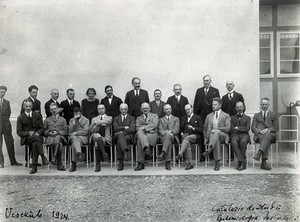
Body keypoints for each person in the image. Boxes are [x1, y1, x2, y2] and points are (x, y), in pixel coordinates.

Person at [17, 99, 49, 174]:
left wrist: (38, 132)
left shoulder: (37, 115)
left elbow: (42, 128)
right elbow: (19, 132)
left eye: (30, 106)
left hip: (37, 137)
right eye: (26, 106)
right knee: (36, 139)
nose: (28, 108)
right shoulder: (20, 117)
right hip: (27, 138)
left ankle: (34, 167)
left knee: (35, 144)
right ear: (23, 107)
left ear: (32, 106)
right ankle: (43, 156)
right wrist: (28, 133)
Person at [202, 98, 230, 171]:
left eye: (215, 104)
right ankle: (217, 162)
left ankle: (209, 150)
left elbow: (227, 128)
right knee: (215, 139)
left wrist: (217, 130)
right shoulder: (209, 116)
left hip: (223, 136)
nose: (213, 106)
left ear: (220, 105)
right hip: (212, 137)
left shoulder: (226, 115)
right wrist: (206, 136)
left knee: (216, 133)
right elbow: (205, 128)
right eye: (212, 104)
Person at [251, 98, 278, 170]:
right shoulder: (256, 115)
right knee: (266, 138)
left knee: (267, 136)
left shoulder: (273, 115)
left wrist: (268, 130)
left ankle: (259, 153)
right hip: (259, 135)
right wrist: (260, 131)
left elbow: (276, 127)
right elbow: (253, 128)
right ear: (260, 105)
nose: (264, 106)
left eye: (266, 104)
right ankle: (263, 163)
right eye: (263, 104)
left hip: (270, 135)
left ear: (269, 105)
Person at [0, 86, 22, 168]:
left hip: (6, 126)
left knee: (10, 143)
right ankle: (1, 162)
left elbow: (9, 113)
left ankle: (13, 161)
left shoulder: (7, 102)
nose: (3, 94)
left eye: (4, 92)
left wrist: (5, 122)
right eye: (1, 92)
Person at [175, 104, 203, 170]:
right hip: (185, 136)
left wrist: (193, 128)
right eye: (186, 110)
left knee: (186, 139)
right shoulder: (183, 118)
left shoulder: (198, 117)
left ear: (192, 109)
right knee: (186, 141)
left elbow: (201, 129)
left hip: (195, 136)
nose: (187, 111)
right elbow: (180, 129)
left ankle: (180, 153)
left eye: (188, 109)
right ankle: (190, 164)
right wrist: (181, 133)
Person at [134, 103, 159, 171]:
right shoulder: (138, 118)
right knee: (139, 134)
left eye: (146, 108)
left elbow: (154, 125)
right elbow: (137, 127)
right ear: (141, 109)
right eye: (143, 108)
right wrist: (148, 128)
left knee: (140, 139)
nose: (145, 109)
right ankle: (147, 147)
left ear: (150, 109)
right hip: (147, 134)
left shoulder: (155, 116)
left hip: (152, 136)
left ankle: (140, 163)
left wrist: (143, 128)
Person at [44, 103, 68, 171]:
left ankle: (54, 157)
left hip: (60, 137)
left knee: (58, 138)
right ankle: (59, 164)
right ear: (50, 111)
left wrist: (57, 132)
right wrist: (49, 132)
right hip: (50, 138)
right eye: (52, 109)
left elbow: (65, 131)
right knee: (59, 144)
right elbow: (44, 131)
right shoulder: (47, 120)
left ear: (58, 109)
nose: (54, 110)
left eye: (55, 109)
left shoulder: (63, 119)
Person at [90, 104, 112, 172]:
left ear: (105, 109)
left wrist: (97, 123)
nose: (101, 110)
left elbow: (108, 122)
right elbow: (91, 130)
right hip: (95, 136)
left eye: (102, 108)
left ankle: (98, 165)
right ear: (97, 110)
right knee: (97, 136)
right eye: (99, 109)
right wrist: (100, 125)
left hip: (105, 137)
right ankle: (104, 153)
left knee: (97, 143)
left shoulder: (109, 117)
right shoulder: (94, 119)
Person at [113, 103, 135, 171]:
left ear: (127, 110)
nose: (123, 111)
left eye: (125, 109)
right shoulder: (116, 118)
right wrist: (125, 127)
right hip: (117, 135)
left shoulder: (131, 118)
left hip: (128, 136)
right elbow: (115, 128)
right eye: (122, 109)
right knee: (120, 136)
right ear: (119, 110)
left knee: (120, 140)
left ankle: (121, 162)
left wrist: (122, 132)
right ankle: (125, 151)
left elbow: (132, 129)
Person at [157, 104, 180, 170]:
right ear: (164, 110)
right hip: (163, 137)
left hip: (173, 137)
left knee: (168, 137)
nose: (168, 110)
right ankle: (167, 162)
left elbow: (176, 129)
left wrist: (170, 132)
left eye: (169, 109)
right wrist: (165, 133)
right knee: (168, 141)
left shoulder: (176, 119)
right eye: (167, 109)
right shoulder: (161, 119)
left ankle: (163, 154)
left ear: (171, 109)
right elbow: (160, 129)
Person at [230, 101, 250, 171]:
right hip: (235, 135)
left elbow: (247, 129)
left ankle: (240, 162)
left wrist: (238, 128)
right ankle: (241, 161)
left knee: (243, 141)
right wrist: (241, 129)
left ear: (243, 107)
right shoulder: (232, 118)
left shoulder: (247, 118)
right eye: (237, 107)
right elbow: (232, 129)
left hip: (245, 135)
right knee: (234, 142)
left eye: (240, 107)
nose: (239, 108)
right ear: (235, 108)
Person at [69, 107, 90, 172]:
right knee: (74, 139)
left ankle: (73, 164)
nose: (76, 114)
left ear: (81, 113)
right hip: (73, 138)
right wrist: (74, 124)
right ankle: (79, 153)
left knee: (74, 144)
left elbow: (85, 131)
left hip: (83, 138)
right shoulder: (71, 120)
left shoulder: (86, 120)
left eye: (77, 113)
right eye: (75, 113)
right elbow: (70, 131)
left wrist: (75, 133)